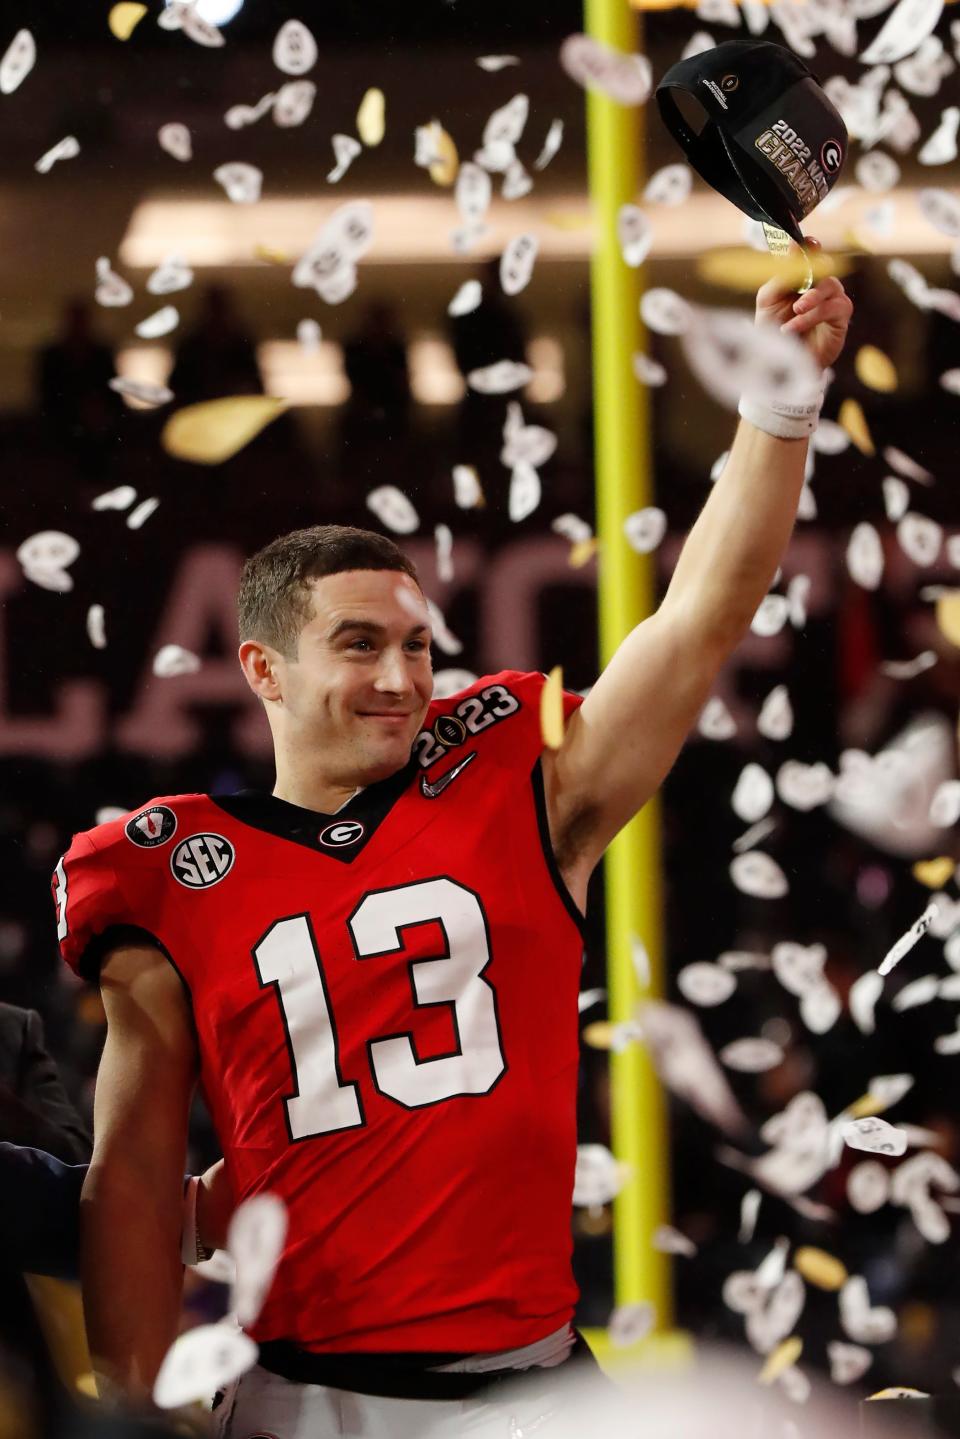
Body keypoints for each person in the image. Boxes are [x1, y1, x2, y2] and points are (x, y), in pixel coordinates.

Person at [52, 266, 852, 1436]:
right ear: (264, 669)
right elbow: (128, 1179)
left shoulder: (516, 782)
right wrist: (127, 1408)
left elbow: (701, 617)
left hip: (540, 1384)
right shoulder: (170, 867)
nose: (400, 677)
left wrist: (780, 407)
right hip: (308, 1393)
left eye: (416, 645)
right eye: (358, 643)